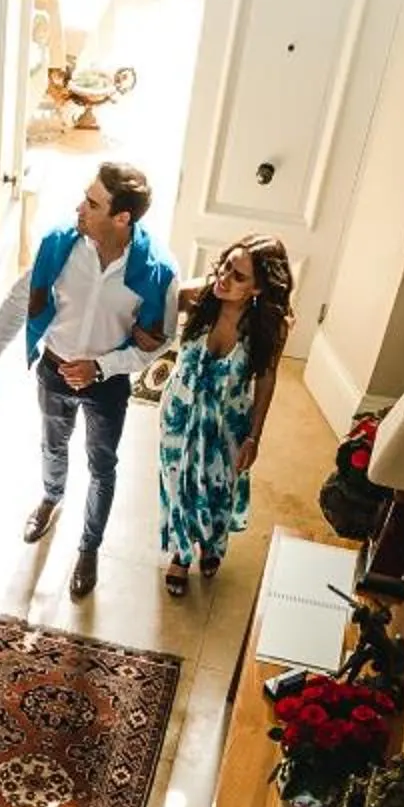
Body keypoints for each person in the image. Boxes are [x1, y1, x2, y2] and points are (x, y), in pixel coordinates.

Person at [0, 160, 175, 599]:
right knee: (52, 444)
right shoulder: (59, 246)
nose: (79, 207)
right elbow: (17, 302)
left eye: (92, 202)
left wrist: (102, 368)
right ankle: (51, 497)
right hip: (54, 369)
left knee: (102, 465)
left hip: (107, 384)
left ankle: (89, 547)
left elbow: (159, 342)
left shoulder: (156, 272)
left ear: (122, 218)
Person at [154, 234, 293, 597]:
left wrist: (254, 437)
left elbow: (266, 378)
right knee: (177, 482)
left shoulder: (269, 325)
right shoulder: (201, 296)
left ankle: (212, 545)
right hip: (180, 412)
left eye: (239, 276)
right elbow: (152, 295)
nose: (225, 278)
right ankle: (181, 556)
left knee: (218, 488)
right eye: (226, 265)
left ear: (258, 288)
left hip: (228, 423)